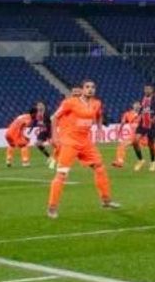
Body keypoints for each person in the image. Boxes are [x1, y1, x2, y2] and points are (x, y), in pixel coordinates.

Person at [46, 80, 119, 219]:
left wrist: (98, 127)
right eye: (87, 87)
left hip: (85, 142)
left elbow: (98, 115)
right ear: (82, 89)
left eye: (92, 87)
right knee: (62, 174)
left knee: (100, 167)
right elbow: (54, 117)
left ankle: (106, 200)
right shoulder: (70, 102)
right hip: (69, 142)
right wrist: (55, 136)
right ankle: (52, 207)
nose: (90, 89)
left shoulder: (96, 103)